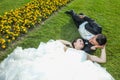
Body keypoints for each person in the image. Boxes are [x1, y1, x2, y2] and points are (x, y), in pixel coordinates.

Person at [0, 39, 114, 80]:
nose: (82, 42)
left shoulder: (85, 54)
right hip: (61, 67)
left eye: (82, 42)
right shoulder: (66, 49)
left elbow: (102, 60)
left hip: (75, 71)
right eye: (79, 41)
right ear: (74, 43)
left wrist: (103, 47)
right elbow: (58, 41)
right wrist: (70, 44)